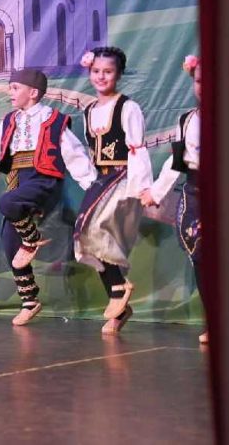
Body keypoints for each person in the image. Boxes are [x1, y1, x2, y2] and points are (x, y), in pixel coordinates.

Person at [0, 69, 97, 325]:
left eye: (15, 88)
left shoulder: (52, 120)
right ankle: (30, 300)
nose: (10, 93)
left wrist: (92, 186)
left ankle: (31, 239)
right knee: (9, 242)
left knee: (6, 203)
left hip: (43, 179)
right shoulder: (9, 120)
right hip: (18, 180)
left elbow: (74, 154)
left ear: (33, 92)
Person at [73, 47, 153, 334]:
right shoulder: (89, 111)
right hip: (100, 180)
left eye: (108, 71)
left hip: (123, 177)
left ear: (118, 74)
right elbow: (90, 150)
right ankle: (119, 303)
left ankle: (119, 288)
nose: (101, 76)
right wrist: (89, 180)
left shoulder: (128, 108)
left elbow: (137, 148)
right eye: (96, 71)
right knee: (85, 237)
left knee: (97, 230)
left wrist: (141, 187)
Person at [141, 55, 206, 343]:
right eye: (199, 80)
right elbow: (176, 163)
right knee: (200, 256)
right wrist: (154, 193)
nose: (203, 86)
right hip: (195, 192)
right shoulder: (187, 120)